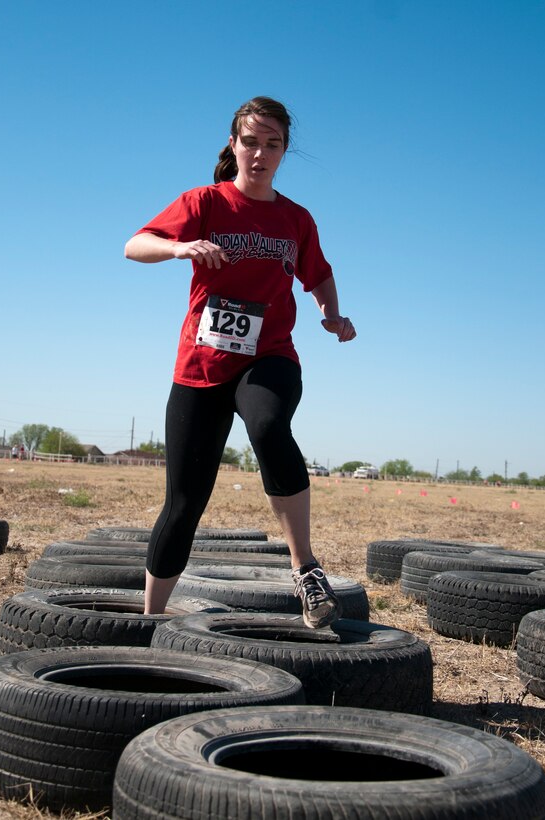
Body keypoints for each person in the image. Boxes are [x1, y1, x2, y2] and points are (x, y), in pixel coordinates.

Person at [125, 96, 356, 628]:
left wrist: (333, 315)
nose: (260, 153)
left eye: (272, 144)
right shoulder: (205, 202)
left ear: (283, 151)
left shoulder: (296, 219)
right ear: (234, 145)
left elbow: (318, 275)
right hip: (202, 368)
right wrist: (179, 249)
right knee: (183, 503)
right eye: (250, 141)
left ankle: (306, 568)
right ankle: (149, 621)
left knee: (269, 424)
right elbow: (135, 245)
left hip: (270, 356)